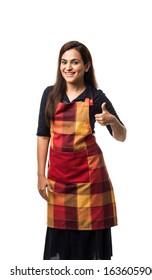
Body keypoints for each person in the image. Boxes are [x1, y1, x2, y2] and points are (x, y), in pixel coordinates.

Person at [36, 40, 126, 260]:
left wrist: (112, 120)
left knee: (89, 245)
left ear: (86, 66)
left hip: (91, 182)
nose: (68, 67)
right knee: (60, 246)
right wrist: (40, 175)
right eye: (64, 62)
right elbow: (43, 135)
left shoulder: (96, 97)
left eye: (74, 62)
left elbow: (122, 136)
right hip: (59, 179)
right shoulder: (50, 95)